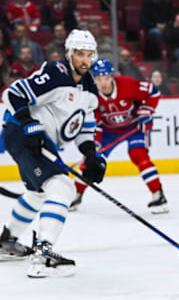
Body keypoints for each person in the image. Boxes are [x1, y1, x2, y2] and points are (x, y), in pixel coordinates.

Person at [0, 29, 104, 277]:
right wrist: (29, 124)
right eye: (79, 54)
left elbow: (85, 125)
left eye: (89, 55)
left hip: (39, 140)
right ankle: (43, 254)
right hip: (22, 134)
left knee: (38, 193)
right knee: (63, 188)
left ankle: (6, 242)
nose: (85, 60)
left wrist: (90, 154)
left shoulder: (89, 88)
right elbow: (12, 94)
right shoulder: (57, 74)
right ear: (69, 54)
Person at [70, 59, 168, 214]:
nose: (103, 83)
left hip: (133, 127)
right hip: (108, 131)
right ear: (93, 79)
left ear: (112, 76)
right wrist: (94, 146)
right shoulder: (91, 95)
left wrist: (146, 111)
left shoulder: (127, 84)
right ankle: (76, 195)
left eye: (107, 78)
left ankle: (158, 194)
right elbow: (95, 123)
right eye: (99, 79)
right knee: (91, 160)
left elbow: (153, 92)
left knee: (138, 155)